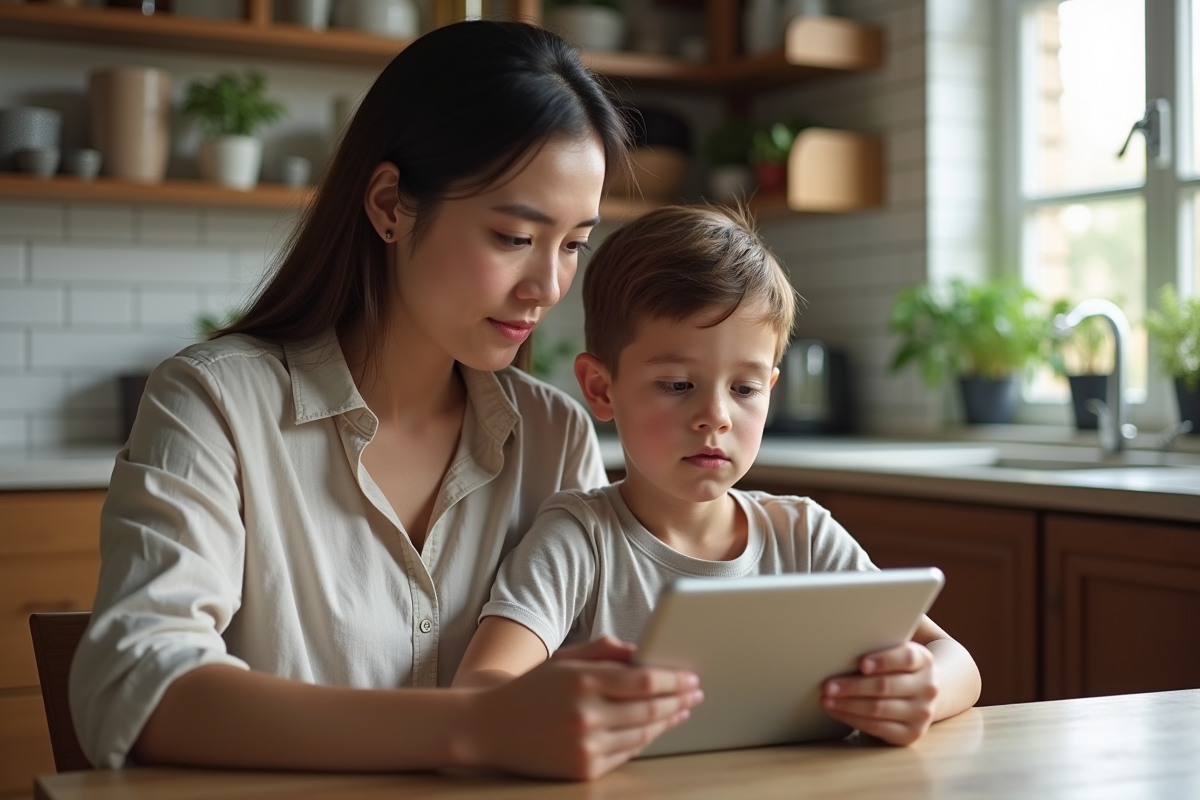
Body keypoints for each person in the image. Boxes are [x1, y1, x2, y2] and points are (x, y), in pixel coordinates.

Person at [69, 21, 703, 782]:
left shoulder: (553, 433)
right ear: (390, 204)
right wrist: (473, 726)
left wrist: (861, 695)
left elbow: (623, 687)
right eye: (512, 236)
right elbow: (136, 688)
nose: (548, 286)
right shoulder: (214, 404)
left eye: (573, 244)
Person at [453, 204, 982, 746]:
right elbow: (480, 687)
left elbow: (957, 661)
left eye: (745, 389)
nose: (716, 416)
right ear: (600, 389)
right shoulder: (578, 540)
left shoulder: (804, 535)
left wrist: (925, 690)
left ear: (770, 391)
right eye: (678, 385)